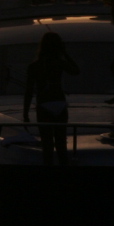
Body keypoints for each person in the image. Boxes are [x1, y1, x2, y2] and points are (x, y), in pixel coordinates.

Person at [23, 31, 80, 165]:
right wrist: (65, 53)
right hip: (59, 103)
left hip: (44, 104)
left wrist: (26, 113)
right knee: (61, 143)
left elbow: (29, 91)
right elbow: (76, 71)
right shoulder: (59, 63)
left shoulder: (34, 66)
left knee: (47, 145)